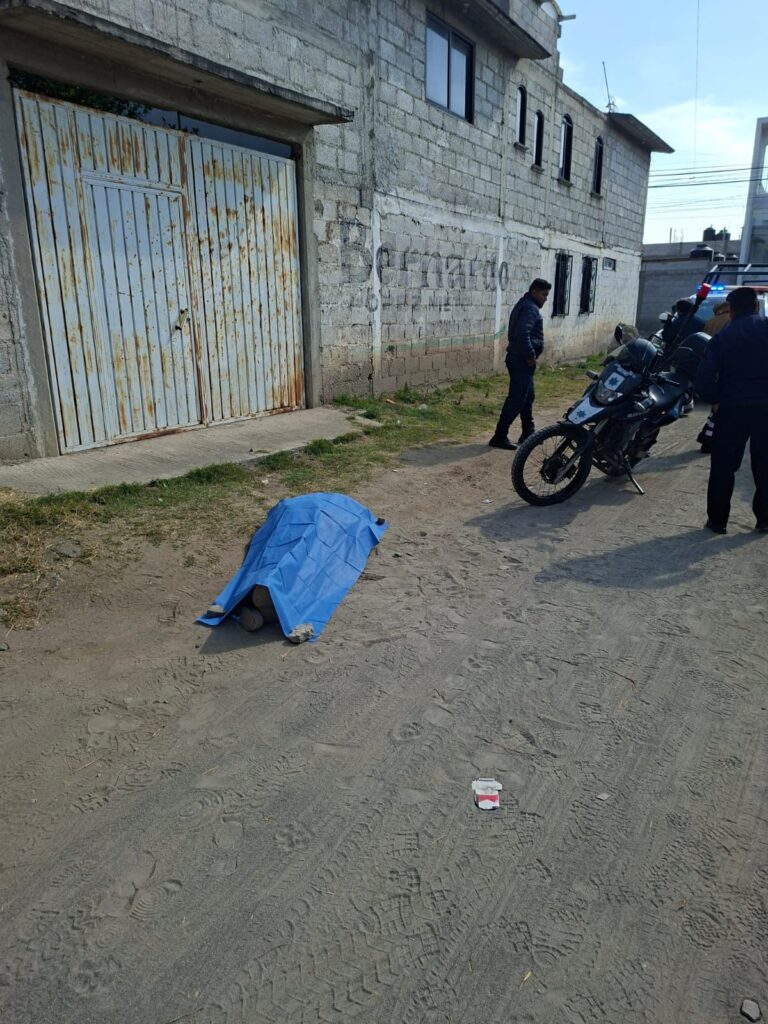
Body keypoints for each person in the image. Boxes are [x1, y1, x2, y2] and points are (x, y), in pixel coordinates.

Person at [695, 286, 768, 534]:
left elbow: (704, 374)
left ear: (732, 311)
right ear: (756, 306)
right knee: (765, 465)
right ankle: (765, 520)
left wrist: (714, 399)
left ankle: (717, 522)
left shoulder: (723, 336)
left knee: (723, 466)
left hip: (731, 408)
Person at [489, 278, 552, 450]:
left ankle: (528, 432)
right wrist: (530, 355)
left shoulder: (525, 304)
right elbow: (522, 334)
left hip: (519, 358)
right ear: (534, 292)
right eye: (544, 294)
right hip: (521, 360)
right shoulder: (530, 308)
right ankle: (500, 435)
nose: (546, 299)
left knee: (528, 396)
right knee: (517, 399)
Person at [697, 301, 731, 453]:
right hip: (723, 368)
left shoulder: (711, 321)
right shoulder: (730, 321)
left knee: (716, 408)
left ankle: (707, 435)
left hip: (710, 366)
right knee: (720, 409)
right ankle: (709, 439)